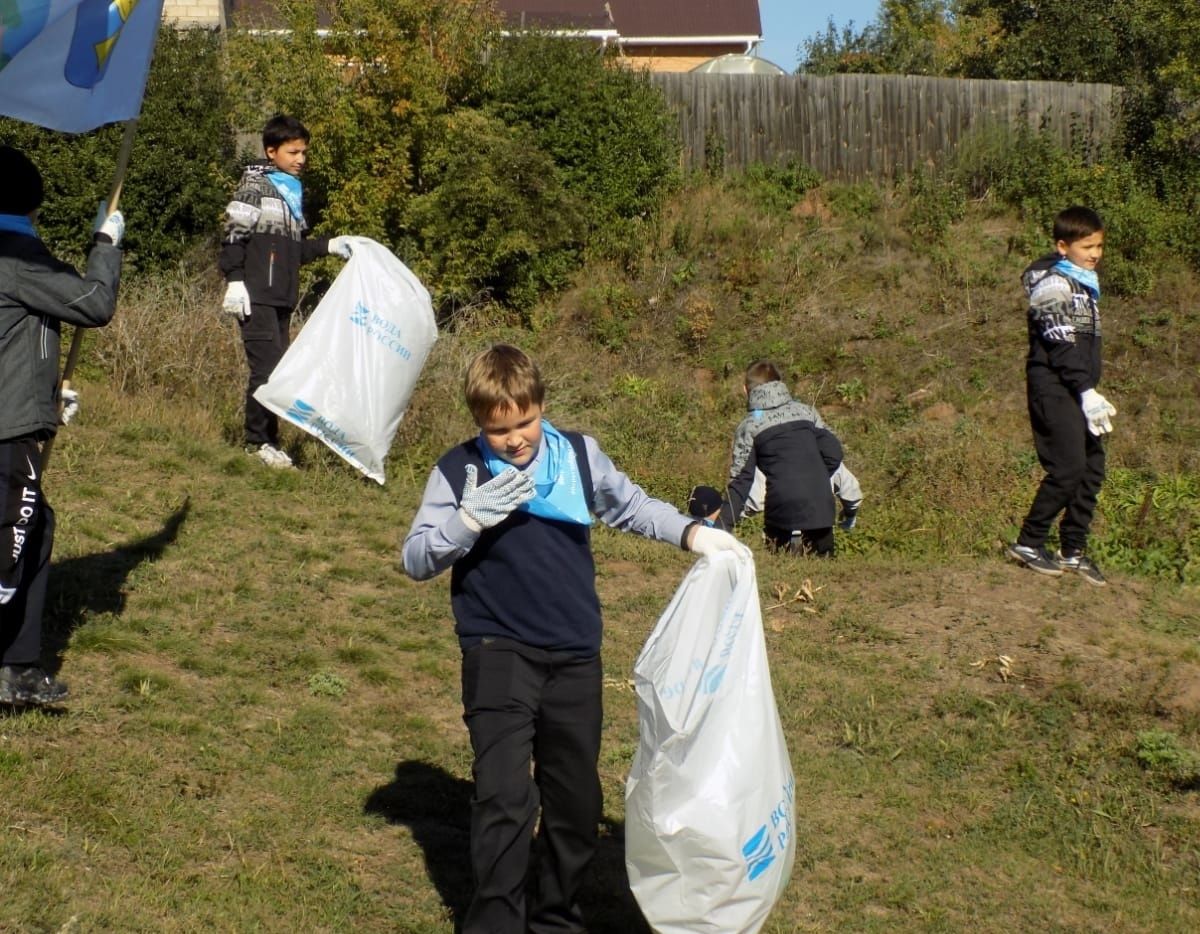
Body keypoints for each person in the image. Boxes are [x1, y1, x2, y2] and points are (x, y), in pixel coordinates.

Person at [402, 344, 746, 933]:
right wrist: (467, 519)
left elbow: (632, 507)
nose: (514, 440)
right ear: (479, 423)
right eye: (498, 429)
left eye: (524, 422)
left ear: (542, 406)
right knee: (505, 801)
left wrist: (693, 534)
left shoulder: (579, 457)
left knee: (576, 806)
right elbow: (415, 558)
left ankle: (557, 919)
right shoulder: (458, 470)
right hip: (497, 650)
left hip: (575, 654)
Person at [0, 146, 124, 706]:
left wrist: (47, 391)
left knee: (35, 529)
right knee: (13, 540)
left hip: (19, 413)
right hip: (8, 432)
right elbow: (93, 303)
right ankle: (11, 667)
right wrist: (106, 244)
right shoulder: (18, 256)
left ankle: (17, 665)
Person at [219, 114, 353, 469]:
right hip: (256, 295)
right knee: (266, 371)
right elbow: (233, 235)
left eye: (304, 152)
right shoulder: (255, 188)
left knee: (277, 374)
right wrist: (234, 279)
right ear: (271, 151)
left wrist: (331, 245)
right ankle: (255, 442)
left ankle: (269, 441)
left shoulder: (291, 196)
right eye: (293, 152)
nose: (301, 159)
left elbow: (295, 252)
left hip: (281, 298)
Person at [1006, 206, 1113, 585]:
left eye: (1099, 245)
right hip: (1055, 388)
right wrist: (1085, 392)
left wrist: (1090, 391)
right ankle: (1029, 542)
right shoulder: (1053, 284)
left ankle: (1073, 551)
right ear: (1063, 246)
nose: (1096, 253)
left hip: (1081, 389)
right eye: (1088, 246)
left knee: (1092, 470)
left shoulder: (1086, 285)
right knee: (1068, 468)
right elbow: (1058, 341)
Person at [718, 365, 847, 556]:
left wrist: (720, 528)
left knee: (781, 570)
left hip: (782, 506)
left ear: (746, 390)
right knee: (823, 574)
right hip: (820, 504)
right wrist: (812, 477)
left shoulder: (750, 425)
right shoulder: (807, 412)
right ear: (781, 384)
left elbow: (740, 482)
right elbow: (834, 453)